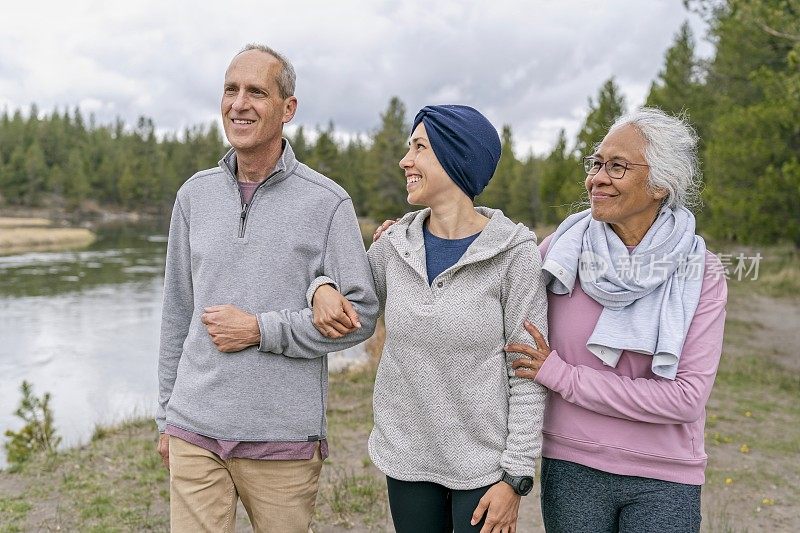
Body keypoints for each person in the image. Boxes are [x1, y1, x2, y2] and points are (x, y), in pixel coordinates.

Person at [155, 43, 378, 533]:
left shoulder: (328, 203)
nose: (239, 103)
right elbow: (177, 312)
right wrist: (167, 417)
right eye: (231, 90)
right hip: (194, 431)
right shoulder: (194, 195)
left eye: (256, 91)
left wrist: (261, 330)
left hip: (282, 442)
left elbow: (361, 316)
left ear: (288, 108)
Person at [310, 105, 548, 533]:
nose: (405, 160)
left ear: (457, 159)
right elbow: (350, 304)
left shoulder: (515, 255)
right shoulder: (393, 246)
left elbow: (527, 373)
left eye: (419, 147)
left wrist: (515, 476)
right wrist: (320, 288)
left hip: (485, 469)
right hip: (407, 459)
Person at [508, 108, 727, 532]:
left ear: (661, 184)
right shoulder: (561, 252)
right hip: (572, 465)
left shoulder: (703, 272)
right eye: (596, 164)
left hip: (664, 476)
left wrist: (562, 376)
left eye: (617, 167)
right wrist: (414, 235)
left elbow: (685, 398)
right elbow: (493, 286)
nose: (597, 178)